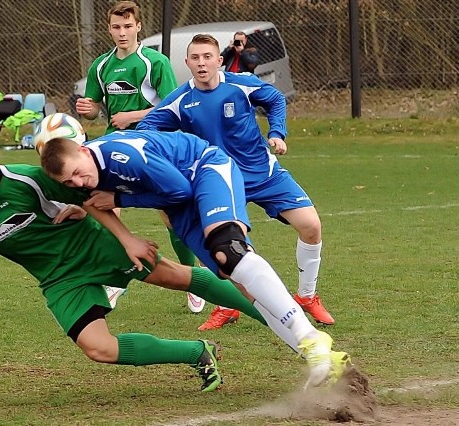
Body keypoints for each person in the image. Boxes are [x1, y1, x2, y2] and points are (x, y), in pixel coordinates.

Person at [0, 138, 289, 393]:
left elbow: (87, 195)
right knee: (98, 348)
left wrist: (126, 239)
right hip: (58, 279)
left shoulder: (23, 178)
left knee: (176, 278)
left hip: (91, 245)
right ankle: (198, 352)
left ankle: (283, 323)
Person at [41, 130, 351, 389]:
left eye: (78, 173)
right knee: (242, 285)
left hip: (204, 170)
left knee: (227, 250)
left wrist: (122, 199)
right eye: (69, 182)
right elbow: (92, 201)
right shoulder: (83, 176)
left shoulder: (124, 156)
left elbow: (178, 188)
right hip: (178, 206)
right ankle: (320, 357)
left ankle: (311, 339)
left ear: (83, 150)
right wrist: (124, 236)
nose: (79, 183)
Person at [138, 34, 335, 329]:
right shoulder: (181, 100)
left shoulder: (240, 84)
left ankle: (307, 296)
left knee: (311, 226)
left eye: (207, 57)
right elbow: (147, 130)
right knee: (222, 244)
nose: (202, 63)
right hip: (219, 181)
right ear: (187, 62)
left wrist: (277, 133)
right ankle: (226, 306)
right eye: (196, 58)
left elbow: (275, 99)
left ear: (219, 60)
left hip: (263, 172)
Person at [76, 1, 202, 312]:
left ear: (138, 27)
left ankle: (193, 280)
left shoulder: (153, 62)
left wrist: (132, 114)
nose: (122, 32)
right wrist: (88, 109)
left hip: (153, 147)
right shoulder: (100, 66)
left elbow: (174, 106)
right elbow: (94, 106)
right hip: (113, 149)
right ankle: (116, 280)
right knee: (105, 212)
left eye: (127, 26)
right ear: (109, 29)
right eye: (116, 27)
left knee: (172, 217)